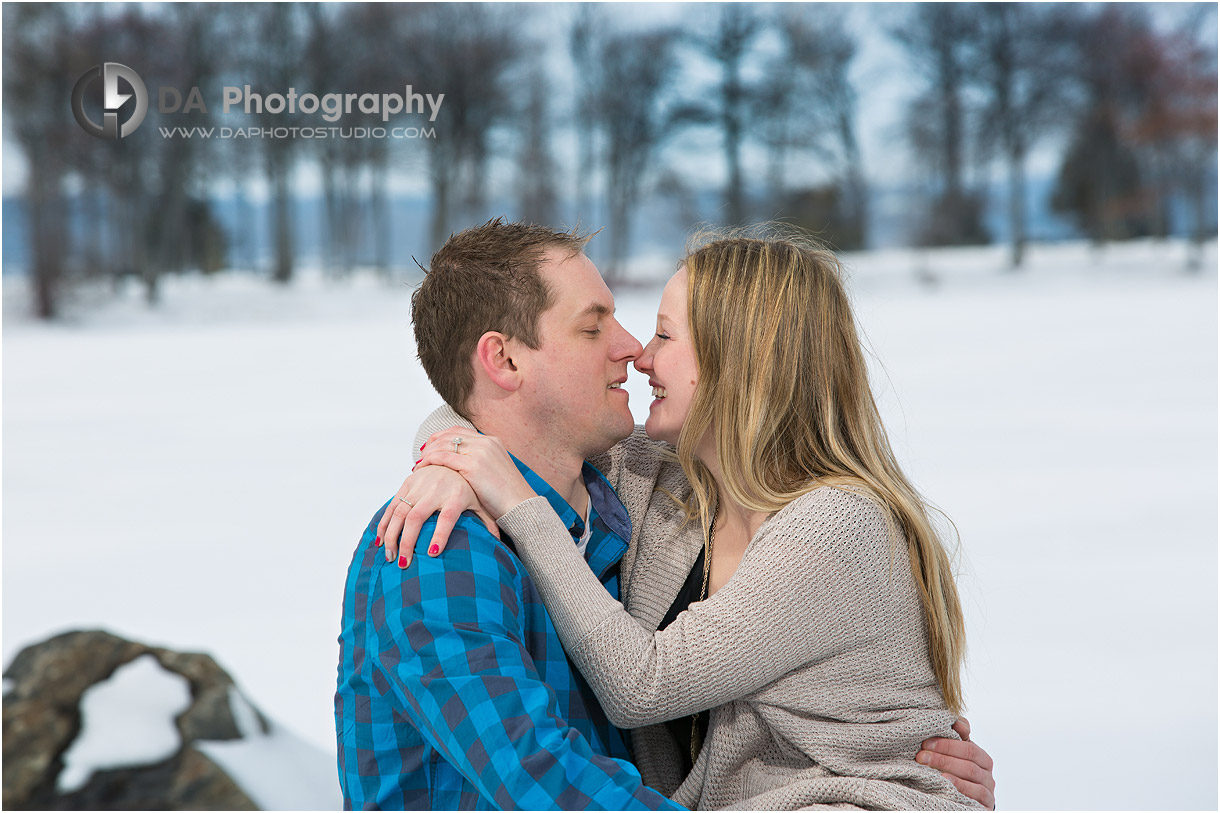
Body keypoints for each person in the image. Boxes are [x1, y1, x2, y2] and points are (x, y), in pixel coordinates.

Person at [382, 227, 997, 810]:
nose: (640, 358)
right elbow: (501, 410)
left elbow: (641, 684)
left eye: (666, 337)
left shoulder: (837, 528)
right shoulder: (665, 483)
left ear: (742, 360)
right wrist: (447, 461)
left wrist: (519, 505)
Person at [336, 219, 684, 810]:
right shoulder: (437, 547)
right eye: (593, 326)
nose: (630, 346)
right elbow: (544, 781)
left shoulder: (617, 512)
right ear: (504, 360)